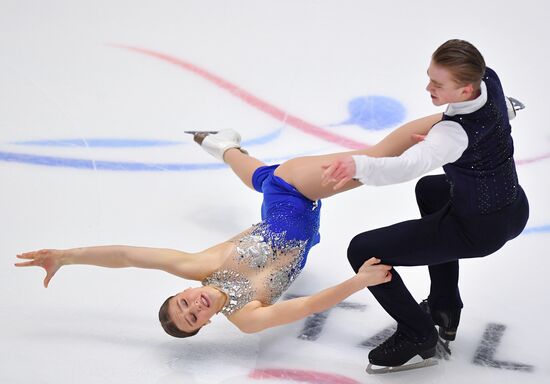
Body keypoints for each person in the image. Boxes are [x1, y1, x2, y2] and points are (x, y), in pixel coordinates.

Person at [14, 114, 443, 339]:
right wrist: (360, 281)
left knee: (379, 158)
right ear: (204, 325)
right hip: (289, 206)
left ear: (181, 291)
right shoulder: (247, 317)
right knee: (262, 178)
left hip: (295, 189)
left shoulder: (200, 266)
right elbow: (307, 307)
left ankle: (465, 115)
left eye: (182, 304)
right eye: (192, 318)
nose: (193, 306)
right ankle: (222, 145)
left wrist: (66, 256)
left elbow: (127, 256)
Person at [321, 39, 529, 373]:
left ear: (464, 90)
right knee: (431, 191)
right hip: (514, 207)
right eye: (429, 76)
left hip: (477, 230)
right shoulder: (489, 79)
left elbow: (406, 167)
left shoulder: (452, 134)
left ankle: (418, 335)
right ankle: (444, 307)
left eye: (437, 84)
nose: (427, 87)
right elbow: (501, 114)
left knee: (362, 250)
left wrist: (357, 166)